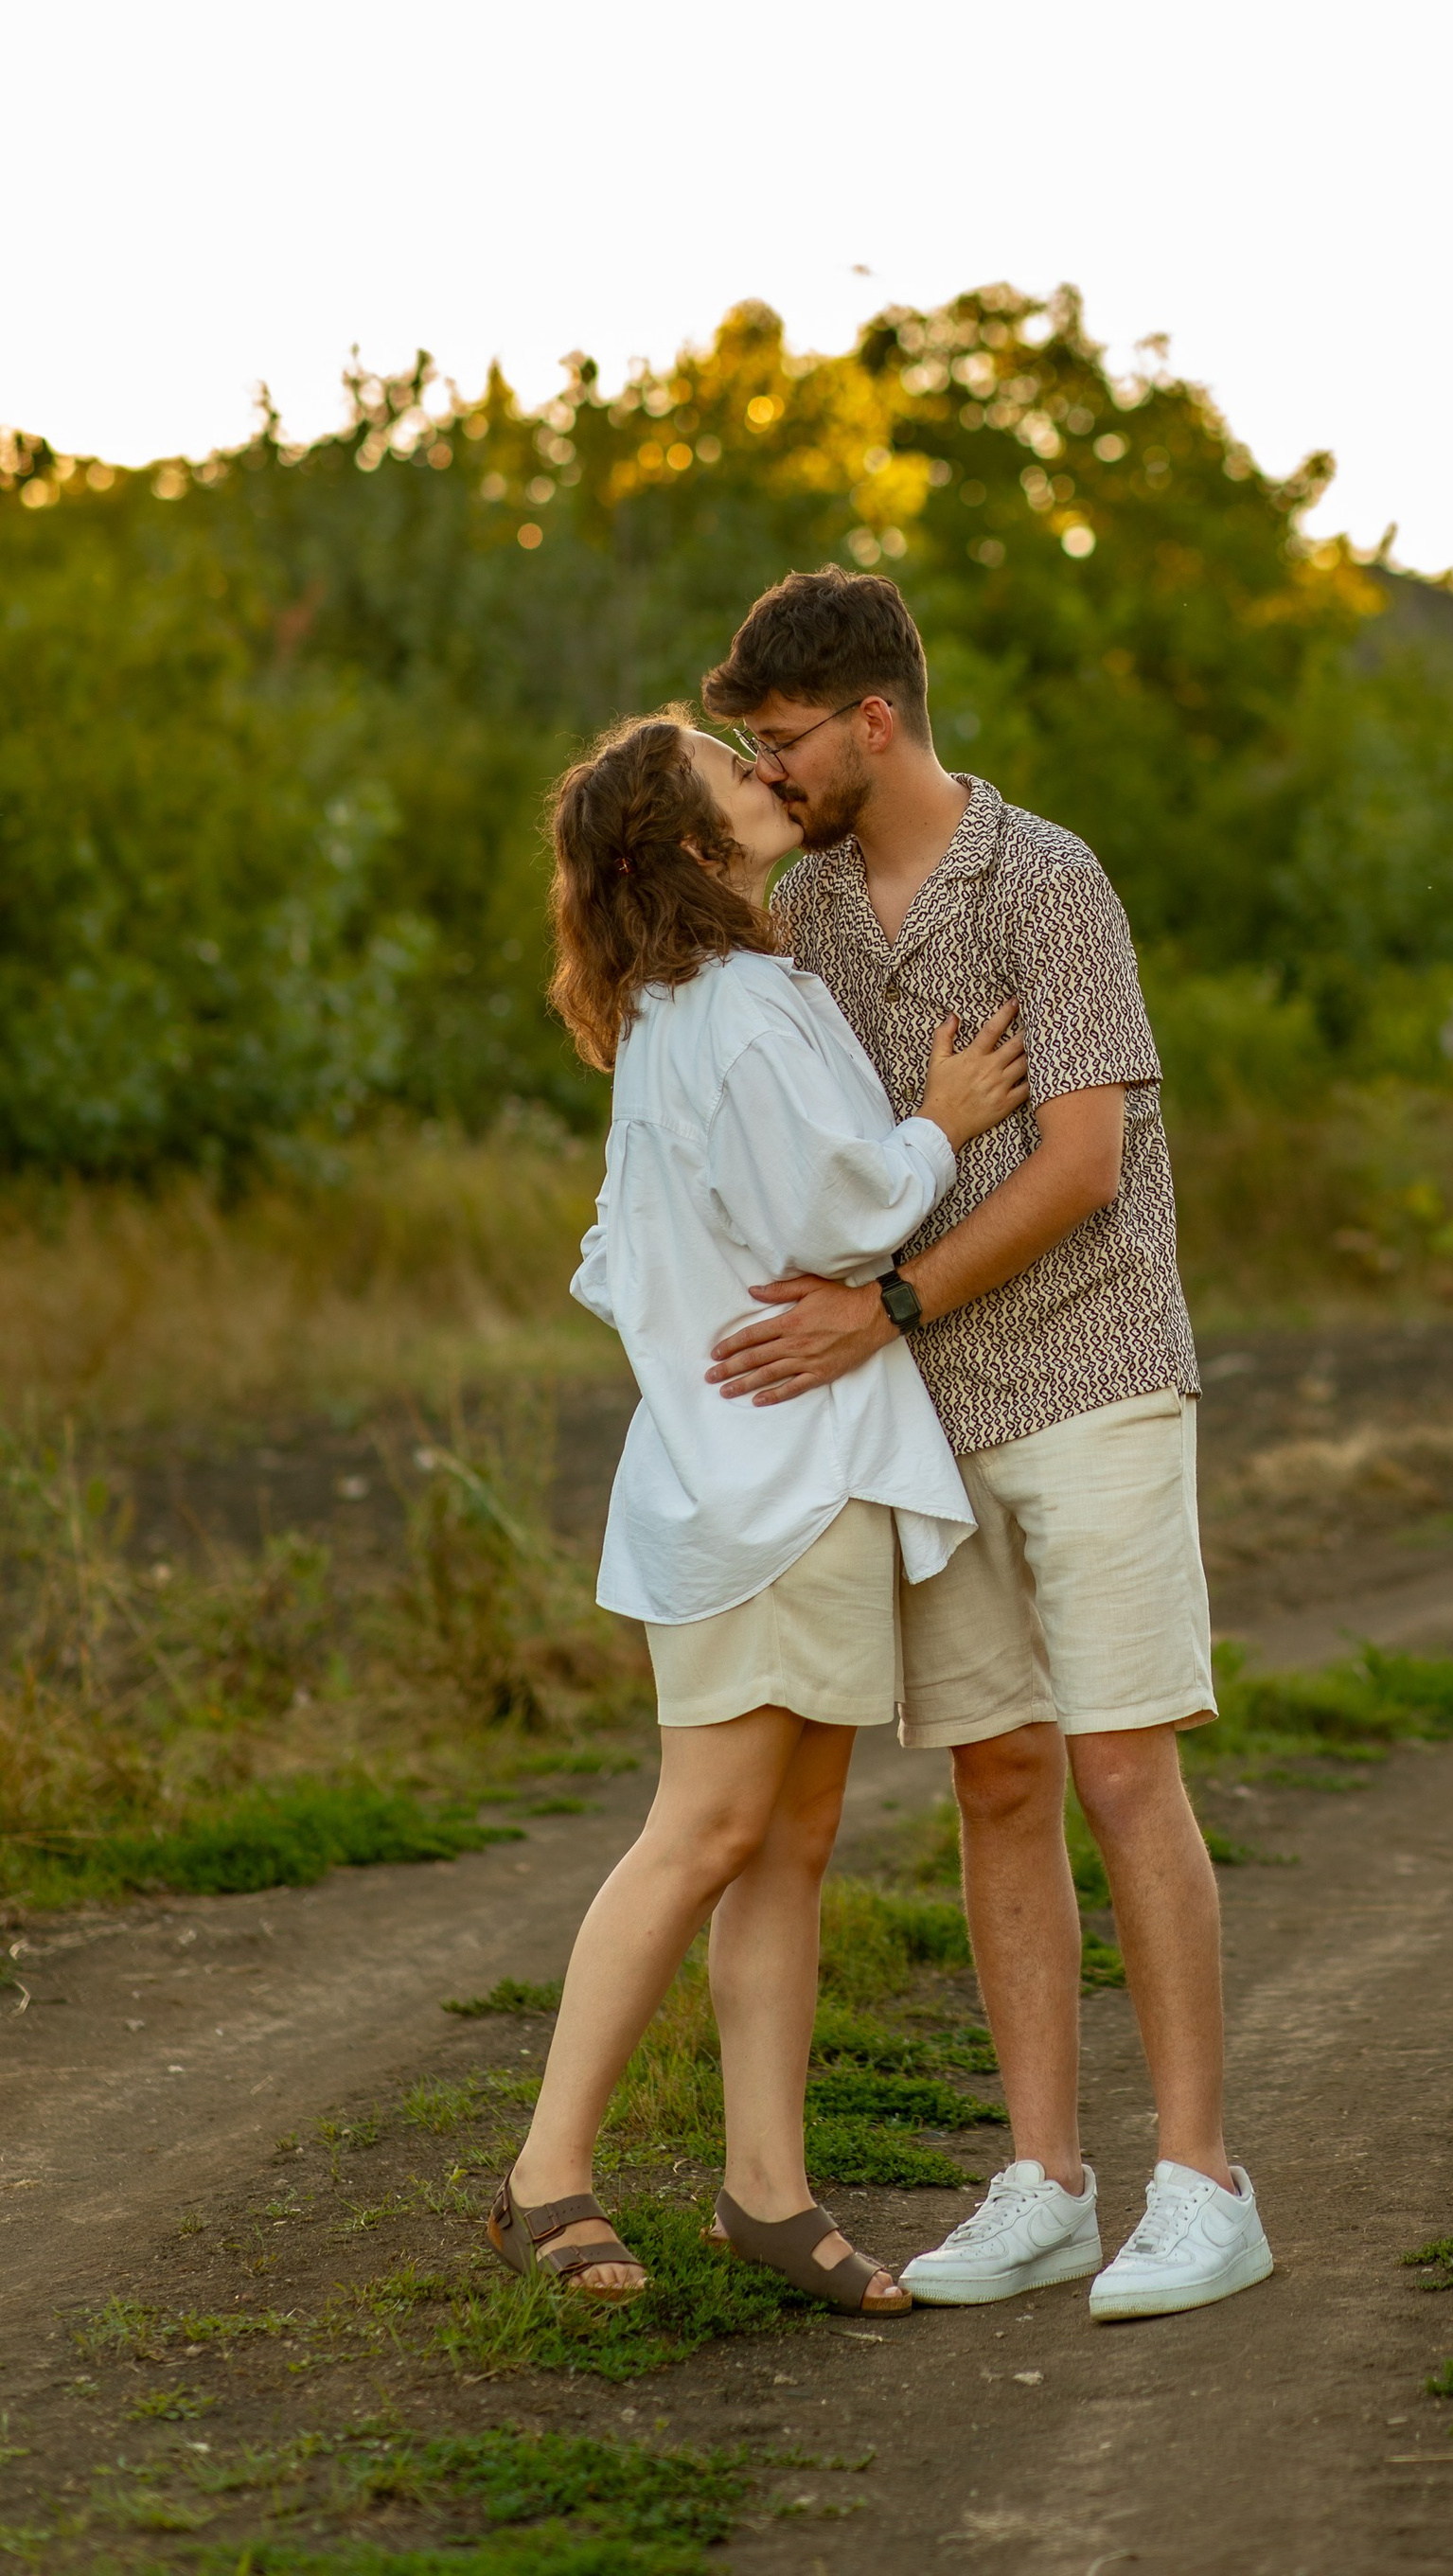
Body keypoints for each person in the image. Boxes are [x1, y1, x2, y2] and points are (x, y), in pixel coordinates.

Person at [699, 569, 1274, 2322]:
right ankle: (1044, 2180)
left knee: (1120, 1768)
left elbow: (1083, 1158)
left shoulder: (1049, 877)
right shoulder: (799, 915)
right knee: (997, 1780)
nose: (770, 771)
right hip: (925, 1425)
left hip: (1089, 1371)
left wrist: (893, 1305)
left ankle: (1202, 2184)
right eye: (751, 748)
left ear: (874, 718)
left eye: (783, 740)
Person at [489, 708, 1027, 2314]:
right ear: (685, 845)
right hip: (762, 1485)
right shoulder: (729, 1009)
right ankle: (543, 2178)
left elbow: (628, 1247)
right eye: (734, 771)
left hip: (799, 1470)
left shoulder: (705, 1008)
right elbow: (823, 1209)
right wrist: (945, 1121)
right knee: (710, 1830)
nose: (766, 774)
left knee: (790, 1841)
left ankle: (768, 2196)